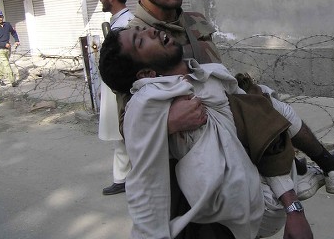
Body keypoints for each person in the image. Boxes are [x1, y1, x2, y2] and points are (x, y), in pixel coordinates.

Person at [126, 0, 334, 201]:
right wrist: (170, 122)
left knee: (263, 100)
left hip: (239, 131)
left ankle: (308, 169)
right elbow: (126, 124)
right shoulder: (131, 42)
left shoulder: (194, 20)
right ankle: (316, 169)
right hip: (198, 161)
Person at [99, 26, 313, 239]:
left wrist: (293, 207)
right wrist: (165, 124)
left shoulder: (211, 75)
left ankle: (321, 167)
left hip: (260, 200)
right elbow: (142, 176)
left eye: (144, 30)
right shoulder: (147, 100)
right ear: (146, 75)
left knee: (263, 101)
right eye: (141, 40)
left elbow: (262, 128)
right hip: (225, 215)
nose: (151, 32)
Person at [98, 0, 134, 195]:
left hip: (121, 89)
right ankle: (123, 177)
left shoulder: (124, 25)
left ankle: (127, 179)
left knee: (125, 133)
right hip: (114, 88)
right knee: (121, 135)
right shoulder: (119, 21)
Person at [0, 10, 20, 87]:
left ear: (2, 17)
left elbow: (13, 32)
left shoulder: (7, 25)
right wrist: (4, 44)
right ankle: (13, 81)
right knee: (6, 65)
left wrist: (16, 40)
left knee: (3, 64)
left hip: (8, 49)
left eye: (0, 16)